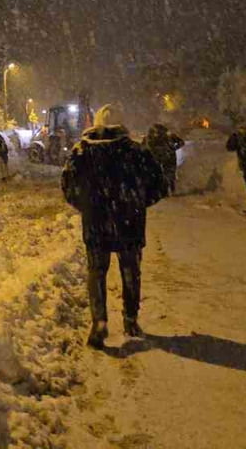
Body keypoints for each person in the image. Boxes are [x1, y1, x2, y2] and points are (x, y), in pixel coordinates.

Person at [61, 107, 168, 349]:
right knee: (130, 272)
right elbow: (159, 185)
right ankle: (130, 319)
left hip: (96, 224)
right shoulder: (137, 152)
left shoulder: (81, 152)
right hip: (130, 223)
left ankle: (99, 322)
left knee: (97, 272)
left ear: (96, 124)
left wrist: (88, 207)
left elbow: (68, 187)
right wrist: (137, 203)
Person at [144, 123, 185, 195]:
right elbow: (146, 147)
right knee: (162, 175)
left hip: (166, 157)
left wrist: (173, 148)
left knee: (168, 175)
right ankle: (166, 190)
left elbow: (181, 142)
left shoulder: (168, 136)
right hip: (161, 157)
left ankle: (169, 190)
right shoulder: (150, 138)